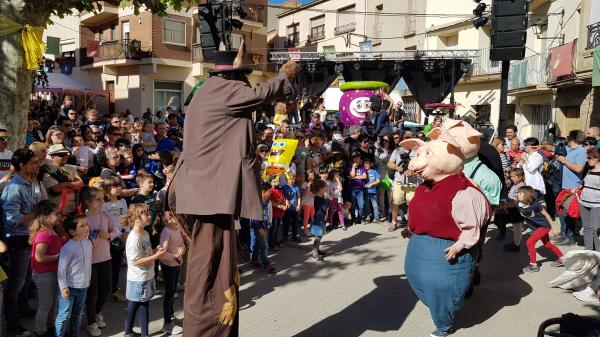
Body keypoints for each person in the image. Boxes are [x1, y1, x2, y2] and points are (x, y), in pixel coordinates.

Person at [172, 43, 297, 337]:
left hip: (207, 194)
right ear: (232, 76)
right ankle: (208, 330)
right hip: (210, 195)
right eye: (241, 76)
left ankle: (211, 327)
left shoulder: (208, 89)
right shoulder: (222, 89)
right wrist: (284, 75)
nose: (244, 82)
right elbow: (260, 94)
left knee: (215, 267)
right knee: (211, 272)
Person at [1, 148, 43, 337]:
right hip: (17, 240)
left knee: (25, 280)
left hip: (28, 237)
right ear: (22, 165)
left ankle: (22, 310)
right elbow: (12, 219)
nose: (37, 164)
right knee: (15, 284)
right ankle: (12, 325)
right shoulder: (14, 187)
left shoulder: (30, 184)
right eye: (33, 162)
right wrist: (37, 212)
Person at [122, 204, 166, 337]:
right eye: (146, 214)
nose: (149, 216)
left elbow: (144, 254)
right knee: (137, 306)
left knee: (141, 305)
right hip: (138, 279)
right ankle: (133, 333)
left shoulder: (145, 233)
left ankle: (133, 333)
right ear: (136, 218)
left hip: (146, 276)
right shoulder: (134, 238)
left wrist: (154, 251)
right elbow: (134, 261)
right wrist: (155, 256)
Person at [80, 187, 116, 337]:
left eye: (103, 198)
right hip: (89, 261)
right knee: (92, 293)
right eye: (98, 199)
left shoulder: (106, 215)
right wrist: (88, 240)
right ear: (88, 202)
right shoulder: (83, 219)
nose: (102, 201)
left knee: (106, 289)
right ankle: (91, 322)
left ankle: (97, 312)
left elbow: (116, 231)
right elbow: (77, 238)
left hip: (105, 257)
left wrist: (108, 235)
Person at [29, 200, 65, 337]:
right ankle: (39, 331)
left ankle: (50, 327)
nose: (60, 216)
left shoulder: (53, 231)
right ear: (45, 217)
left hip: (53, 273)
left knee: (52, 303)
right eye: (56, 214)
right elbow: (39, 258)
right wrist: (59, 257)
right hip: (44, 275)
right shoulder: (44, 234)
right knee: (45, 304)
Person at [55, 214, 93, 337]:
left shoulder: (88, 244)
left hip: (83, 287)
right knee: (64, 315)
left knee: (78, 314)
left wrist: (88, 279)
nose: (86, 227)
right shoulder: (67, 248)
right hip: (69, 288)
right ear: (72, 231)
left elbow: (88, 263)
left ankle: (74, 334)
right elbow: (61, 270)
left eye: (86, 224)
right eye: (82, 226)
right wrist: (63, 287)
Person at [517, 186, 564, 273]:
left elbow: (547, 215)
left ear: (527, 195)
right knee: (547, 244)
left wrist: (554, 228)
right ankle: (562, 258)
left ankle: (533, 265)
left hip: (544, 226)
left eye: (520, 193)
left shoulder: (535, 205)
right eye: (518, 192)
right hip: (537, 227)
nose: (518, 194)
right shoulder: (518, 204)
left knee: (530, 242)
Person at [555, 130, 587, 245]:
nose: (567, 139)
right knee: (561, 212)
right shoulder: (570, 149)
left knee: (568, 213)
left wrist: (564, 161)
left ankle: (570, 237)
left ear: (573, 138)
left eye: (568, 137)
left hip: (573, 186)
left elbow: (579, 168)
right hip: (563, 186)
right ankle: (564, 235)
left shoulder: (581, 151)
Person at [101, 177, 129, 303]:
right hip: (107, 239)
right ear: (107, 189)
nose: (119, 188)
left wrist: (126, 233)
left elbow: (126, 218)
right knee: (107, 267)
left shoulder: (122, 201)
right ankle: (104, 290)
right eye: (116, 186)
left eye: (120, 186)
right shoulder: (103, 204)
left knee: (116, 265)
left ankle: (114, 290)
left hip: (121, 238)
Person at [159, 210, 186, 335]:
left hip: (176, 264)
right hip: (169, 266)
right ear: (167, 220)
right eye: (173, 217)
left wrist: (182, 249)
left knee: (173, 291)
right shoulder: (166, 232)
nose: (176, 218)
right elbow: (162, 253)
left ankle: (171, 314)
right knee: (169, 294)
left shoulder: (176, 229)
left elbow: (182, 244)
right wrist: (175, 255)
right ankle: (167, 322)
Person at [496, 168, 526, 249]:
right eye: (511, 177)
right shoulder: (515, 185)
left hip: (516, 209)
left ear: (520, 177)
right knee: (516, 226)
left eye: (513, 177)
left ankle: (516, 245)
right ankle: (516, 243)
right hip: (512, 208)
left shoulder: (522, 186)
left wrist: (505, 206)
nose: (511, 178)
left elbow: (518, 200)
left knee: (517, 227)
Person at [249, 181, 276, 273]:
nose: (271, 193)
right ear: (263, 191)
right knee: (264, 245)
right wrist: (259, 228)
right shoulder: (257, 201)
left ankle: (254, 260)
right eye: (269, 191)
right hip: (258, 226)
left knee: (257, 244)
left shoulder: (267, 201)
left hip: (264, 225)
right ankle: (266, 263)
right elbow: (254, 216)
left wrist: (269, 222)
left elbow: (267, 213)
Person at [579, 148, 600, 251]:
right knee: (586, 228)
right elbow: (583, 183)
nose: (588, 160)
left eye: (590, 158)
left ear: (598, 158)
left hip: (597, 204)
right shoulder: (588, 168)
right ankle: (588, 251)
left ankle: (598, 253)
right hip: (583, 202)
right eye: (587, 157)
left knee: (596, 229)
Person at [309, 179, 329, 262]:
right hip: (319, 219)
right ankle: (314, 253)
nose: (326, 188)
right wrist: (328, 200)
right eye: (325, 187)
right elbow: (324, 208)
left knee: (320, 235)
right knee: (318, 236)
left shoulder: (320, 197)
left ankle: (317, 250)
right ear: (321, 189)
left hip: (321, 219)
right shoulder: (318, 198)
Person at [269, 175, 288, 250]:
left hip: (280, 213)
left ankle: (276, 241)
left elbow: (284, 198)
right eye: (274, 181)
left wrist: (286, 203)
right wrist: (280, 206)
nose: (276, 182)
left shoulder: (280, 190)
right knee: (273, 228)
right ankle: (271, 244)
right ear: (270, 183)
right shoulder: (271, 191)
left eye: (277, 181)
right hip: (274, 213)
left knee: (278, 228)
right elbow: (270, 202)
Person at [348, 152, 367, 225]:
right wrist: (353, 167)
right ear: (352, 159)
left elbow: (364, 176)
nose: (356, 160)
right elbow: (352, 174)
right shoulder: (350, 167)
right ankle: (353, 219)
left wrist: (355, 177)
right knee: (353, 205)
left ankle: (360, 218)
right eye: (355, 158)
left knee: (361, 205)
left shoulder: (362, 167)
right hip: (352, 188)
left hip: (360, 189)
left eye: (358, 158)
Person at [282, 173, 301, 243]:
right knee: (286, 223)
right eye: (290, 179)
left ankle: (294, 236)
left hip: (295, 208)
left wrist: (299, 206)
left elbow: (298, 197)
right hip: (287, 209)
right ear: (287, 180)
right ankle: (285, 236)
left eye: (293, 179)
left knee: (295, 223)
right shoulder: (284, 187)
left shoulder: (296, 187)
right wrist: (286, 201)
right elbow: (283, 196)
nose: (291, 181)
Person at [301, 170, 316, 235]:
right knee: (306, 216)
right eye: (311, 175)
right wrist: (308, 186)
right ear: (307, 176)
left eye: (313, 175)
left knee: (313, 216)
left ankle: (312, 229)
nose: (312, 177)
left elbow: (314, 194)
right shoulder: (304, 184)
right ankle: (305, 230)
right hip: (306, 202)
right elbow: (304, 194)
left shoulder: (314, 183)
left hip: (312, 202)